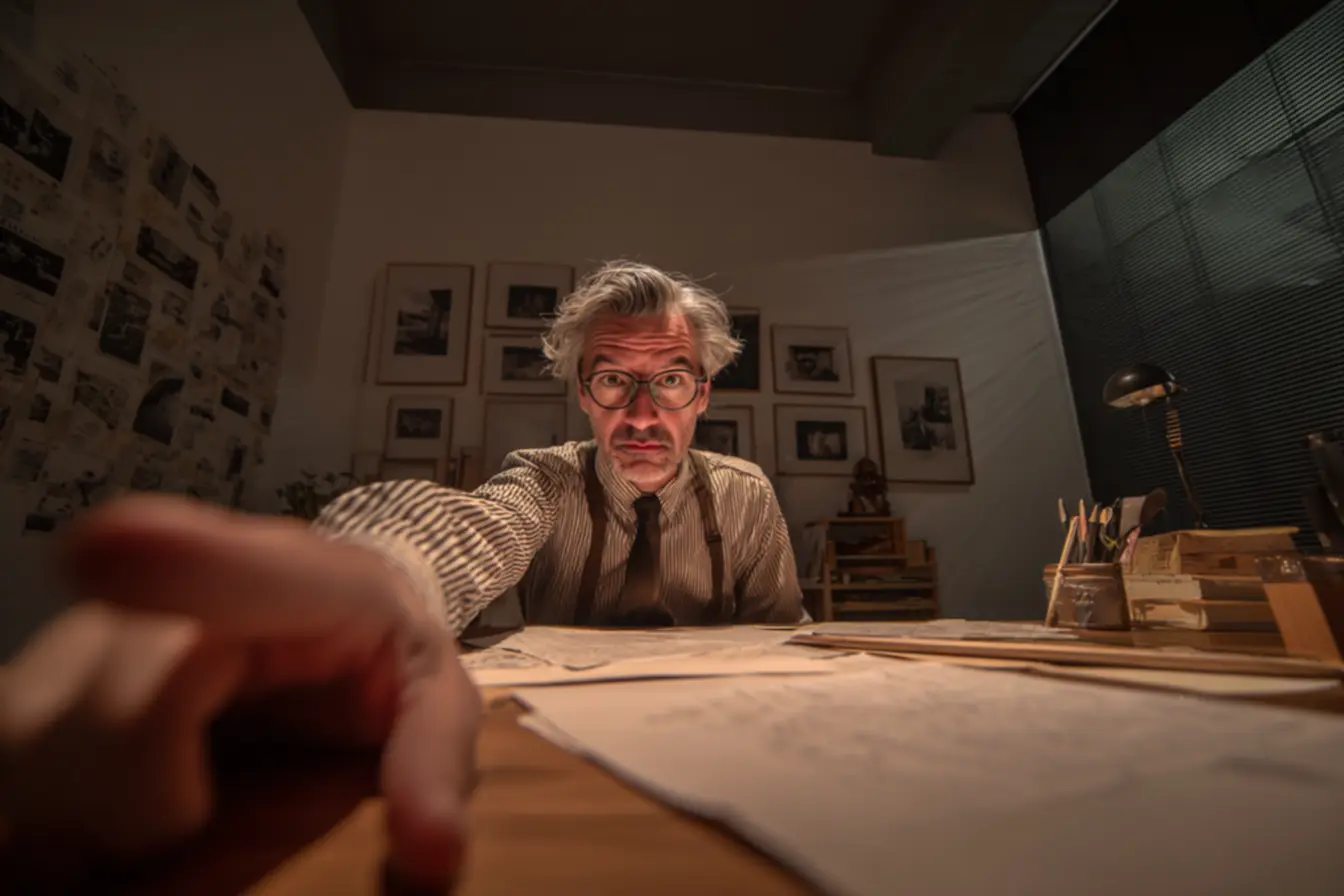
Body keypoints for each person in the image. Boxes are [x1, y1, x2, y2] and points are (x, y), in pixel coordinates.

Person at [0, 260, 806, 888]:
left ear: (703, 394)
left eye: (670, 379)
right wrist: (381, 575)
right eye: (613, 380)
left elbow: (789, 641)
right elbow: (469, 527)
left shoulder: (746, 495)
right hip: (555, 760)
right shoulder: (547, 478)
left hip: (726, 763)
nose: (642, 413)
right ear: (583, 396)